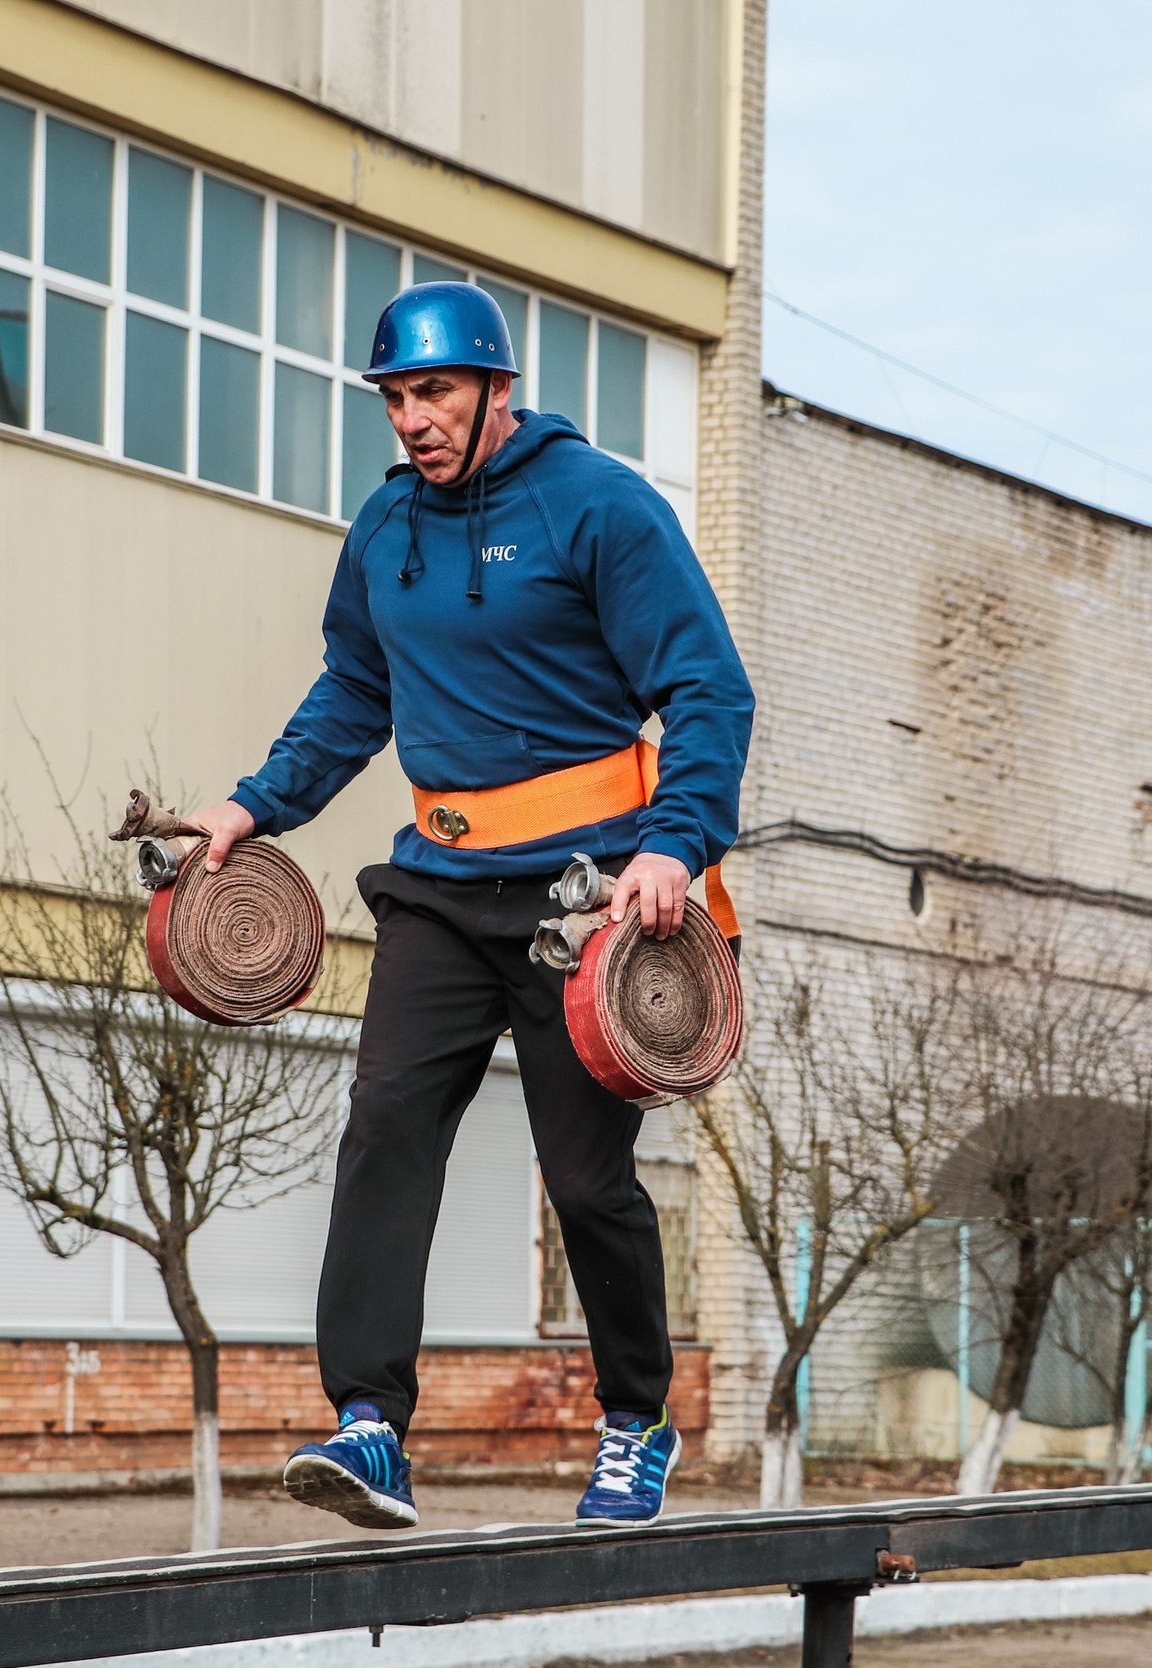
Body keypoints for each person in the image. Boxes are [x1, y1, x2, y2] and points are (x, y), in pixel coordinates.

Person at [183, 282, 752, 1529]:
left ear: (498, 388)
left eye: (433, 391)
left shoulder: (597, 505)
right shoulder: (386, 527)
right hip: (437, 887)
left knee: (585, 1181)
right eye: (394, 397)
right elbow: (354, 691)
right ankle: (369, 1424)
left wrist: (675, 843)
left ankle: (635, 1420)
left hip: (583, 898)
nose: (412, 419)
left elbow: (708, 689)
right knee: (384, 1127)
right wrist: (253, 805)